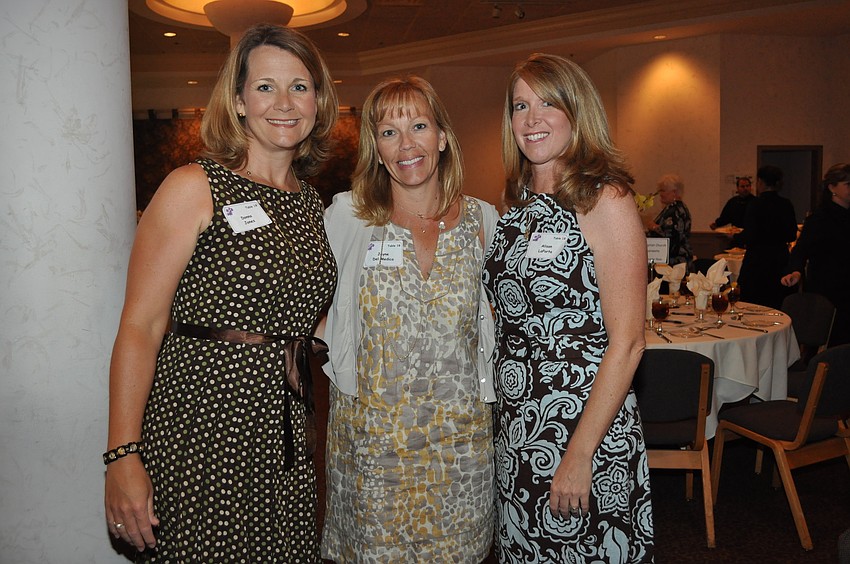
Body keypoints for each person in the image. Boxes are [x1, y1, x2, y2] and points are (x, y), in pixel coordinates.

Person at [103, 24, 338, 562]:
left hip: (285, 427)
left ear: (318, 101)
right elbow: (140, 325)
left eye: (300, 87)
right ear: (237, 101)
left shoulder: (310, 203)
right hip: (203, 424)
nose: (284, 103)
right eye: (265, 87)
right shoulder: (195, 186)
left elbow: (298, 316)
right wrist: (122, 454)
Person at [319, 76, 499, 562]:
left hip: (461, 448)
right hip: (374, 447)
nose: (406, 145)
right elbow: (299, 300)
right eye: (389, 132)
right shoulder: (349, 218)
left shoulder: (483, 221)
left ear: (442, 137)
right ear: (377, 151)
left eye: (418, 126)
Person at [483, 53, 653, 562]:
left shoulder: (605, 199)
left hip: (582, 425)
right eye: (520, 106)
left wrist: (580, 454)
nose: (531, 119)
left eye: (548, 104)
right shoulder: (515, 202)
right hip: (518, 423)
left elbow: (629, 343)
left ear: (577, 112)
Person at [781, 163, 850, 346]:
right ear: (832, 187)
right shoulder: (820, 218)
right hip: (829, 288)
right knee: (836, 340)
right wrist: (796, 271)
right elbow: (801, 250)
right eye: (848, 184)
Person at [737, 165, 797, 309]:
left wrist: (736, 238)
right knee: (777, 302)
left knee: (752, 304)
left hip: (757, 260)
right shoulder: (786, 204)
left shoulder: (754, 204)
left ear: (760, 182)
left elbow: (749, 235)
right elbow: (791, 234)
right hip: (779, 259)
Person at [647, 173, 694, 272]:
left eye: (663, 191)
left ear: (674, 192)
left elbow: (673, 236)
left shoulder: (675, 211)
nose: (660, 194)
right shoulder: (676, 208)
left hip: (675, 263)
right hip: (675, 260)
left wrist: (654, 227)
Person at [710, 176, 754, 247]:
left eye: (747, 186)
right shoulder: (733, 202)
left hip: (751, 237)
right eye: (742, 186)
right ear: (737, 188)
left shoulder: (755, 202)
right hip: (735, 237)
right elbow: (725, 217)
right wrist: (716, 224)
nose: (745, 188)